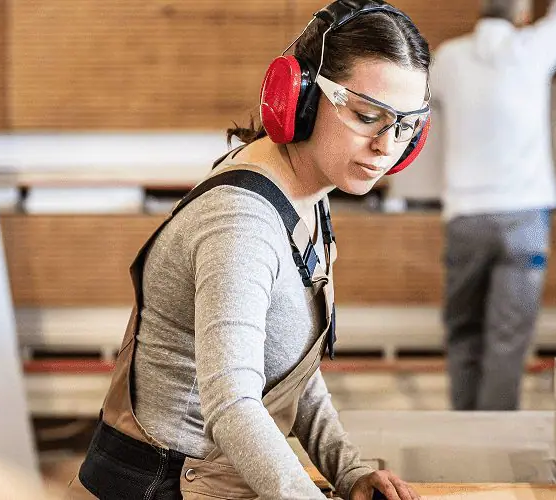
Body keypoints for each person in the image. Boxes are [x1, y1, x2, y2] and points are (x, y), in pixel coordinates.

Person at [71, 1, 432, 499]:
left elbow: (290, 367)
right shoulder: (242, 225)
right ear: (301, 98)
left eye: (407, 125)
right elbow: (233, 405)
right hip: (159, 488)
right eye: (368, 116)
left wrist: (348, 470)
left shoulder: (307, 193)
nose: (387, 145)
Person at [429, 0, 556, 411]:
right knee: (507, 341)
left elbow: (415, 100)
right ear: (522, 17)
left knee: (464, 331)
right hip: (523, 220)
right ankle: (495, 436)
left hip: (466, 217)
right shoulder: (532, 47)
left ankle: (465, 434)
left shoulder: (448, 58)